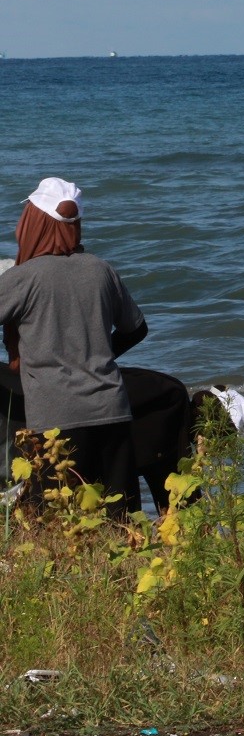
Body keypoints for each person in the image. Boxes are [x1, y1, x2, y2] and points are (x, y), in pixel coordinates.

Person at [0, 178, 149, 515]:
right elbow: (136, 329)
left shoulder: (23, 277)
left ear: (33, 222)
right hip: (111, 410)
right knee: (119, 520)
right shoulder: (101, 269)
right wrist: (94, 354)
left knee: (55, 522)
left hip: (54, 421)